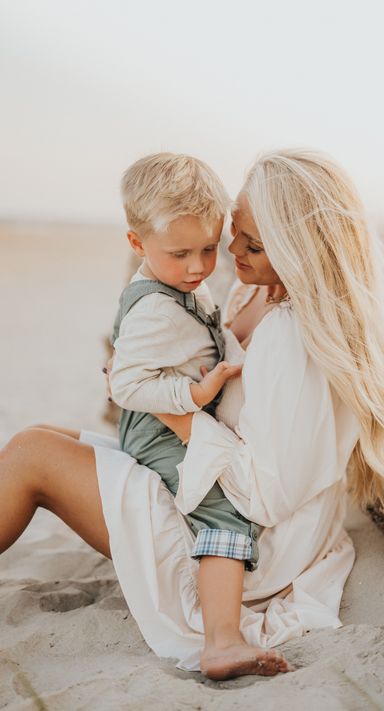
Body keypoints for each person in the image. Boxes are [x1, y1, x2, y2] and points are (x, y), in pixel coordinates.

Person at [0, 149, 384, 682]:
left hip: (240, 545)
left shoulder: (292, 339)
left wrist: (174, 410)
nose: (229, 251)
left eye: (251, 244)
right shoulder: (256, 288)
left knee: (30, 456)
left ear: (299, 252)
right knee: (42, 436)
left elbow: (266, 495)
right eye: (236, 229)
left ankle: (221, 637)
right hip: (206, 482)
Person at [109, 153, 263, 671]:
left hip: (164, 419)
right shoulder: (155, 306)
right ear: (137, 244)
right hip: (158, 430)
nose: (198, 267)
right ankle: (222, 641)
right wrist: (193, 398)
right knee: (224, 511)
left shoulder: (181, 282)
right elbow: (125, 385)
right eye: (180, 253)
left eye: (208, 249)